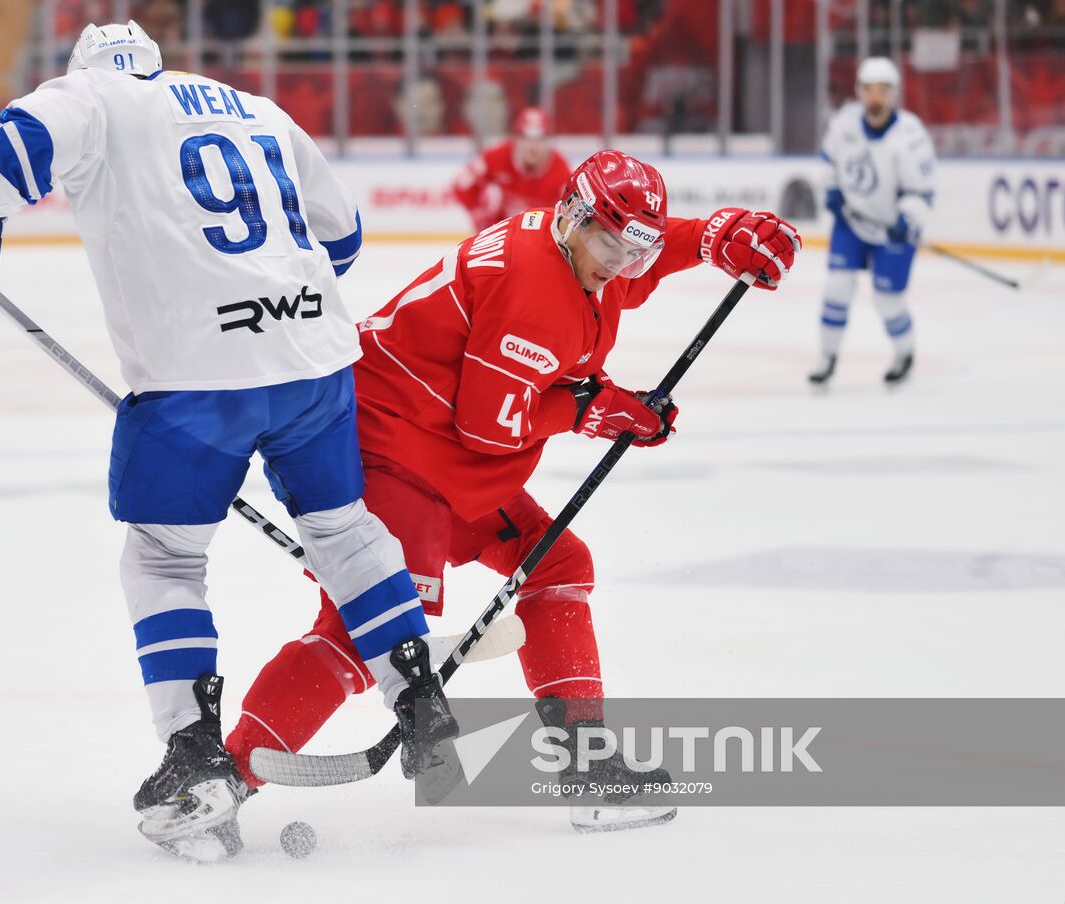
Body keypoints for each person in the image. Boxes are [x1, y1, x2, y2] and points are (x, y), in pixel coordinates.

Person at [0, 20, 456, 863]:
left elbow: (11, 152)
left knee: (164, 557)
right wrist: (267, 306)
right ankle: (419, 694)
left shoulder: (93, 95)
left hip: (196, 381)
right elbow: (341, 237)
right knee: (343, 531)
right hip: (314, 362)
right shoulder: (257, 108)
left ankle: (193, 752)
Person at [224, 150, 801, 830]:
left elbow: (637, 252)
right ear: (574, 218)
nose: (620, 261)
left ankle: (585, 767)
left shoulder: (579, 254)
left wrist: (712, 237)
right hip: (395, 453)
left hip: (445, 458)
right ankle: (219, 778)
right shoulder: (535, 290)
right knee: (363, 634)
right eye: (611, 241)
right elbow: (489, 430)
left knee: (559, 563)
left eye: (634, 246)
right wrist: (591, 409)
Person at [810, 56, 936, 386]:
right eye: (869, 89)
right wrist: (832, 189)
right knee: (837, 287)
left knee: (887, 298)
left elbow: (922, 192)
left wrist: (906, 219)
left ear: (894, 93)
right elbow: (827, 162)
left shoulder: (911, 136)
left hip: (892, 230)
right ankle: (827, 357)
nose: (875, 97)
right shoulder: (844, 124)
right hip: (851, 222)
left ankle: (904, 352)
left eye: (883, 90)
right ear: (859, 92)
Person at [452, 107, 570, 232]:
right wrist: (479, 215)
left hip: (538, 235)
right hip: (500, 231)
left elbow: (568, 213)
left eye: (540, 139)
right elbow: (461, 185)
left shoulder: (561, 170)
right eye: (526, 138)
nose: (533, 147)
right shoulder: (496, 157)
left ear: (549, 141)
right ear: (516, 139)